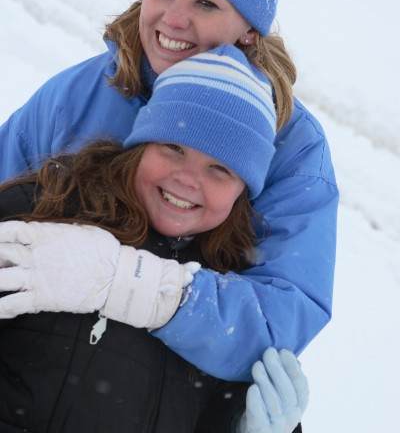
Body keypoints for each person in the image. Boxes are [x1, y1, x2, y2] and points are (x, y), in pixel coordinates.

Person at [0, 0, 338, 382]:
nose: (173, 20)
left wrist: (137, 288)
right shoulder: (80, 93)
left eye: (205, 2)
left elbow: (281, 316)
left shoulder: (292, 146)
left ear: (249, 29)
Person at [0, 46, 308, 433]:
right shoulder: (43, 210)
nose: (187, 179)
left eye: (220, 169)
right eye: (173, 147)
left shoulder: (232, 303)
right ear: (141, 145)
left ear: (241, 192)